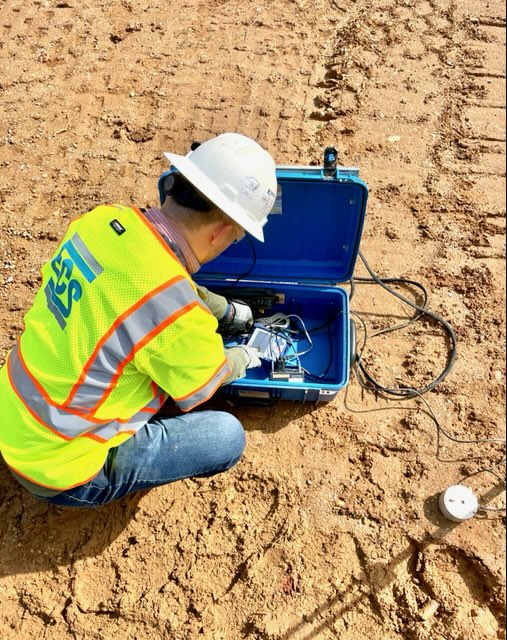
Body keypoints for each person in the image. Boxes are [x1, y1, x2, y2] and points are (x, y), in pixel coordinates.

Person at [0, 132, 278, 508]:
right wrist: (246, 356)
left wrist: (224, 309)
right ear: (222, 233)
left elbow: (143, 288)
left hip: (12, 413)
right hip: (61, 470)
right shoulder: (176, 314)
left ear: (172, 186)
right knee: (226, 437)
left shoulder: (101, 221)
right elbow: (206, 382)